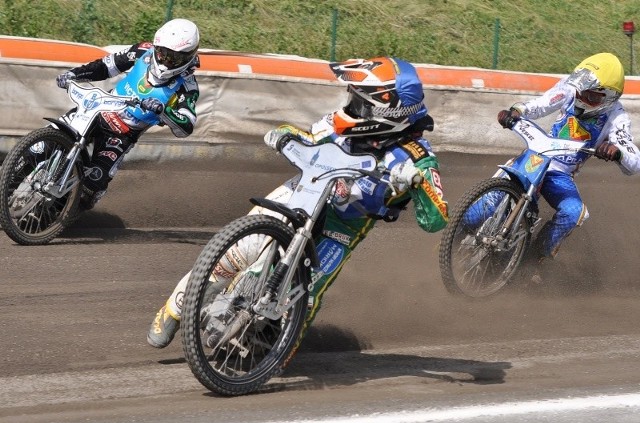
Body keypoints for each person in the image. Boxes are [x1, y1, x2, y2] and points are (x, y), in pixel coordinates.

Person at [147, 56, 449, 350]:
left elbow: (436, 220)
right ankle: (175, 308)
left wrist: (417, 183)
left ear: (386, 111)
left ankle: (276, 353)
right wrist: (284, 134)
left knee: (306, 296)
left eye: (360, 104)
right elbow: (307, 136)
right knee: (237, 253)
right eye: (352, 99)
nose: (350, 107)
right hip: (300, 193)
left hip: (340, 228)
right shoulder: (340, 124)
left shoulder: (417, 157)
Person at [497, 52, 640, 274]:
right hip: (537, 157)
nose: (582, 98)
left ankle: (534, 261)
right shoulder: (570, 88)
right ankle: (456, 234)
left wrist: (617, 152)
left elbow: (634, 161)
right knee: (481, 208)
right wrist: (518, 110)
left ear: (609, 97)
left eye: (591, 96)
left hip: (560, 174)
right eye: (582, 92)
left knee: (575, 212)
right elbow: (543, 104)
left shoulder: (617, 117)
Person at [54, 18, 200, 209]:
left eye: (174, 58)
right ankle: (13, 177)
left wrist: (164, 111)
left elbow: (186, 126)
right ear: (156, 46)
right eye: (162, 53)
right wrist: (74, 74)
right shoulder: (142, 51)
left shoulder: (188, 86)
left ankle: (59, 214)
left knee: (94, 183)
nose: (165, 60)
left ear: (189, 56)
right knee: (47, 141)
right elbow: (106, 66)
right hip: (99, 109)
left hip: (122, 134)